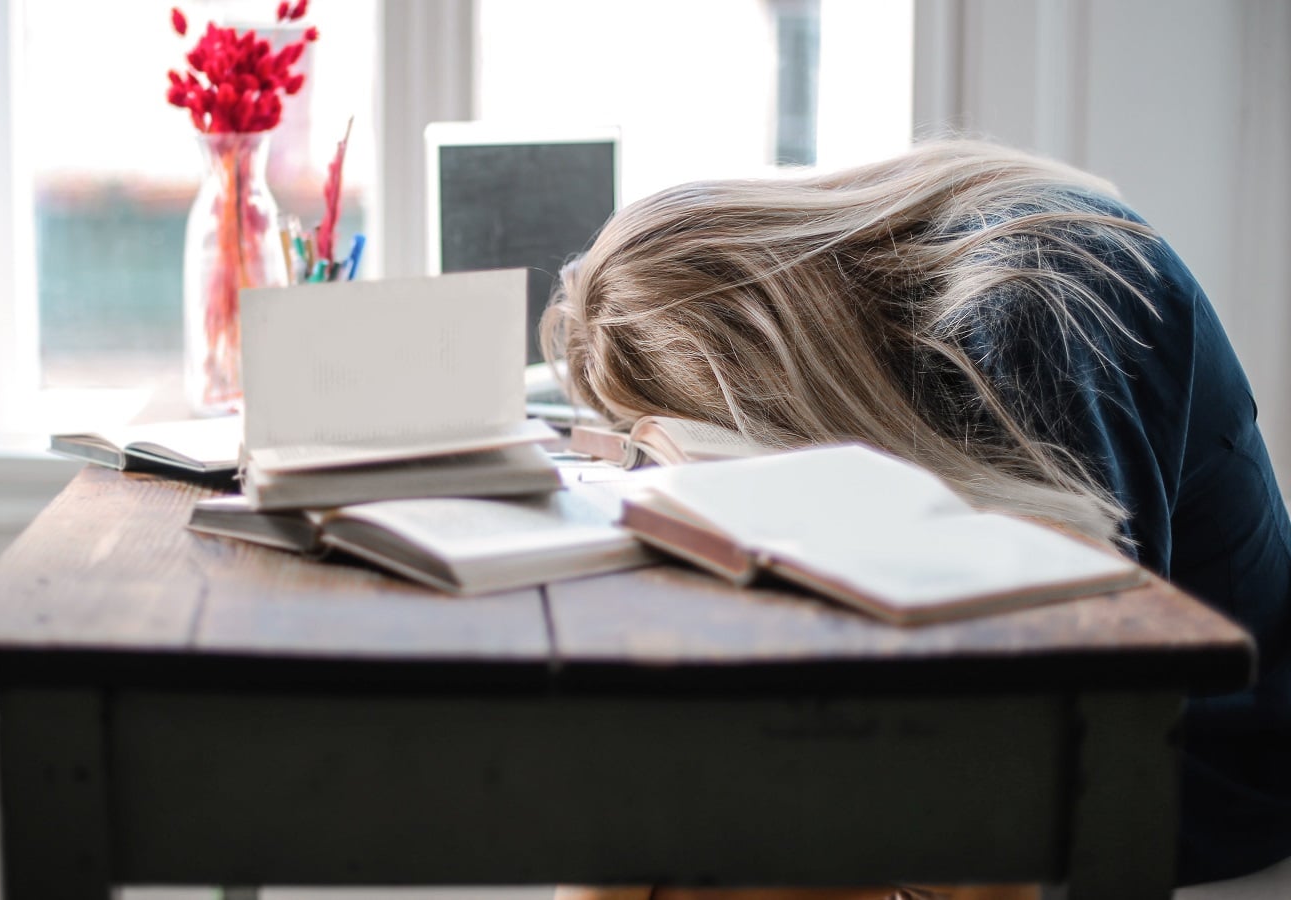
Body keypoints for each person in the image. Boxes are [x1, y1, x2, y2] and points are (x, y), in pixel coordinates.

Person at [543, 140, 1291, 899]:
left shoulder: (1033, 296)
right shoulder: (934, 279)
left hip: (1205, 760)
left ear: (760, 367)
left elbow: (1090, 682)